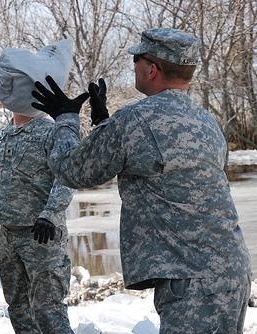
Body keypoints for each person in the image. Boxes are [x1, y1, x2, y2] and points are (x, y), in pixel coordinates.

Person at [31, 28, 252, 333]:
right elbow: (158, 162)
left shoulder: (136, 119)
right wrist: (104, 124)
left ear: (152, 69)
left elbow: (71, 170)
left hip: (190, 281)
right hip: (230, 270)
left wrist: (66, 118)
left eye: (136, 58)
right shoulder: (206, 121)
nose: (132, 64)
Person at [0, 35, 75, 334]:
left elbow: (66, 178)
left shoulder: (53, 133)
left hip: (42, 237)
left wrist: (50, 215)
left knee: (49, 311)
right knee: (18, 308)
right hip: (9, 235)